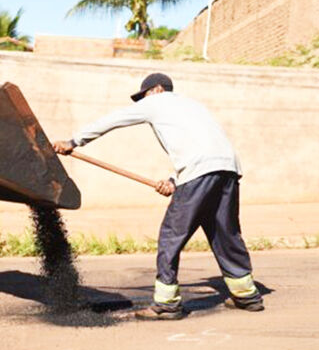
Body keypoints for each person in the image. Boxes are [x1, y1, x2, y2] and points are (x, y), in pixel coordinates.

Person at [53, 72, 263, 320]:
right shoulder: (194, 106)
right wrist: (175, 181)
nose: (142, 101)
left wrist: (74, 141)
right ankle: (247, 295)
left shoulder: (156, 101)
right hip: (227, 170)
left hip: (199, 172)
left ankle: (166, 304)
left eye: (143, 96)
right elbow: (200, 146)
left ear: (157, 89)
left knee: (171, 236)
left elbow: (114, 119)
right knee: (225, 232)